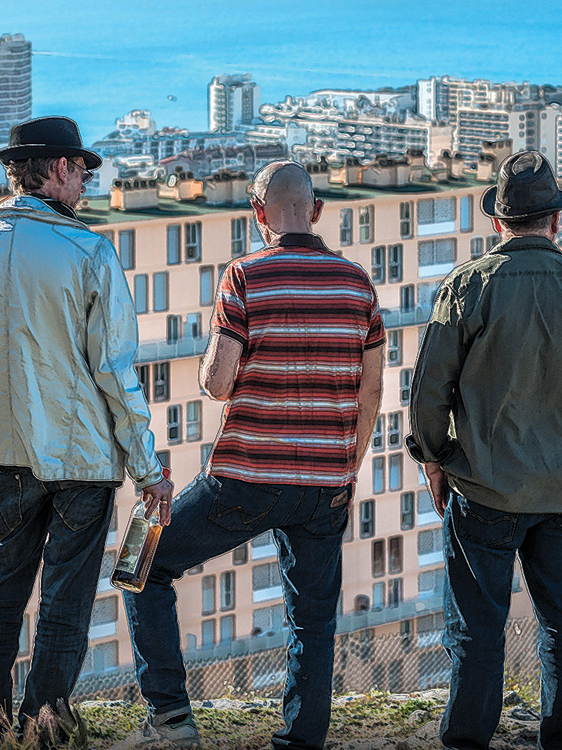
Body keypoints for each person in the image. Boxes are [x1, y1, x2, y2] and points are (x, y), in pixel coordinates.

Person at [0, 116, 174, 744]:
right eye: (82, 171)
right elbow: (115, 373)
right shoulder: (89, 251)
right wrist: (149, 469)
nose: (86, 183)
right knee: (64, 602)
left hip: (4, 456)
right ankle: (45, 727)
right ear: (58, 169)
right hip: (82, 459)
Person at [121, 160, 384, 750]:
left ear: (259, 215)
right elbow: (371, 391)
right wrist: (348, 470)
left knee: (141, 561)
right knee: (313, 620)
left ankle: (170, 716)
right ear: (316, 212)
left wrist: (207, 368)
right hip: (325, 484)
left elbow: (217, 381)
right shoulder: (357, 284)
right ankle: (301, 740)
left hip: (245, 476)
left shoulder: (244, 276)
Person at [408, 151, 562, 750]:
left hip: (483, 487)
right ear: (555, 222)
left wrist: (432, 456)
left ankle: (468, 740)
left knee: (479, 627)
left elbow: (430, 390)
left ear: (498, 223)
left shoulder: (466, 288)